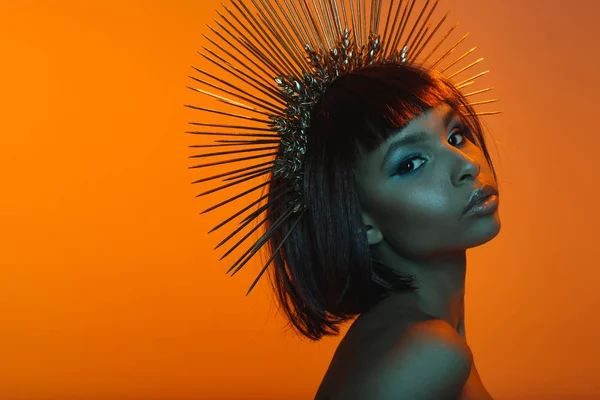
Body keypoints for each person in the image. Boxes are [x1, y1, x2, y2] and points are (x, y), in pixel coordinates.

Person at [188, 0, 500, 398]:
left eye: (456, 135)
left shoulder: (406, 336)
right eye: (410, 163)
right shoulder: (429, 351)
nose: (465, 164)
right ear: (361, 221)